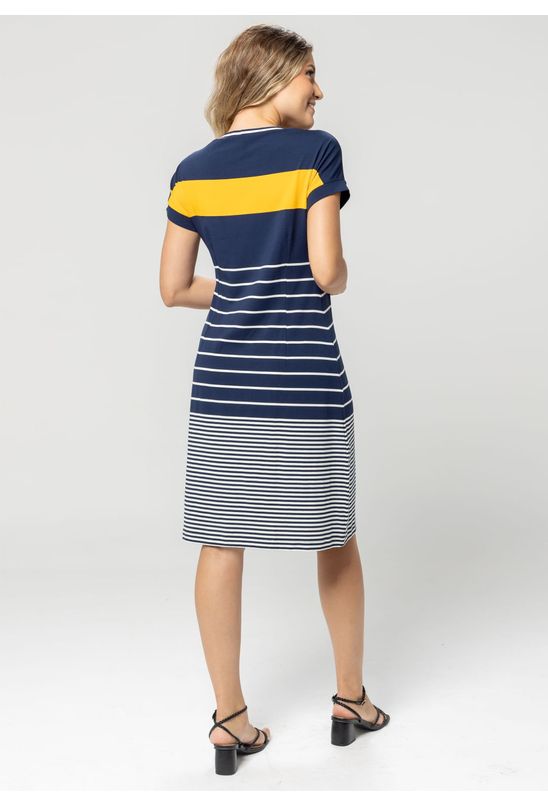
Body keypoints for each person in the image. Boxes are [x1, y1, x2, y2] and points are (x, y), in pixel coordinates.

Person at [159, 24, 389, 775]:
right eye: (310, 74)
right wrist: (337, 274)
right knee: (334, 539)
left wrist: (241, 288)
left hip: (224, 386)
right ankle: (350, 702)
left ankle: (229, 721)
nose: (319, 90)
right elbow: (327, 272)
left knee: (221, 542)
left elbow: (173, 288)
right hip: (304, 380)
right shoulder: (315, 154)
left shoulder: (191, 171)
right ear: (270, 75)